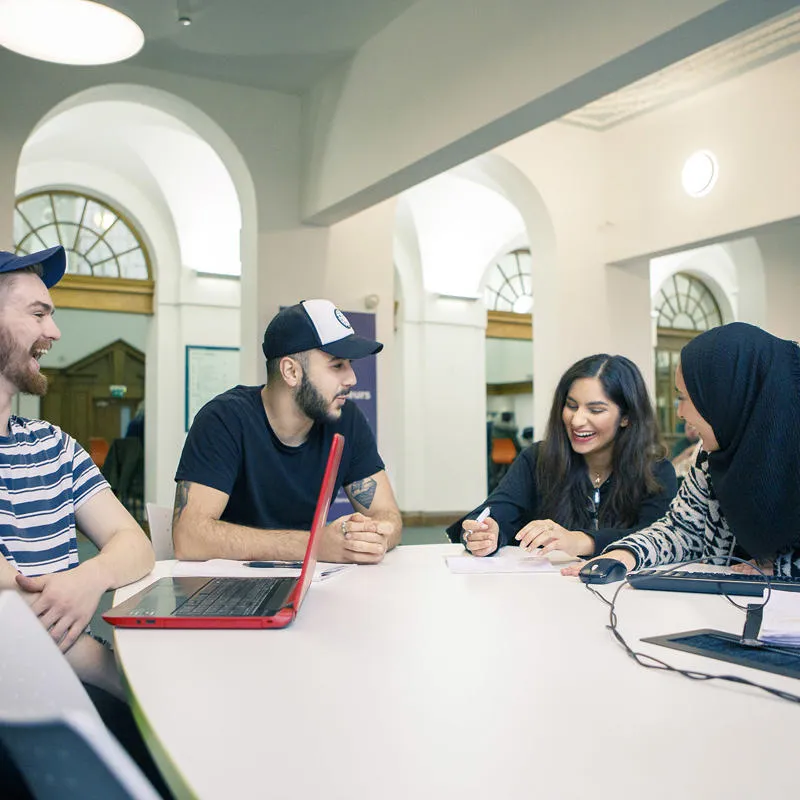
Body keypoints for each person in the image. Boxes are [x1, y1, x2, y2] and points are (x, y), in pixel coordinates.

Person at [0, 246, 165, 797]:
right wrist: (113, 673)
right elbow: (8, 603)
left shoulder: (51, 444)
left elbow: (133, 543)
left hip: (70, 683)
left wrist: (83, 581)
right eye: (38, 313)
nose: (56, 330)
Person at [173, 299, 402, 564]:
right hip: (229, 589)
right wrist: (314, 546)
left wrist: (374, 536)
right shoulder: (223, 420)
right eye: (337, 365)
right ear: (291, 371)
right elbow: (188, 538)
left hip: (309, 584)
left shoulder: (347, 419)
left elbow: (387, 514)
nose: (352, 379)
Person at [563, 323, 800, 579]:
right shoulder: (710, 457)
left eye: (685, 397)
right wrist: (624, 555)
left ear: (725, 397)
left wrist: (784, 569)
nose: (680, 412)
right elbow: (683, 530)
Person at [448, 354, 676, 558]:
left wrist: (580, 541)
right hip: (546, 595)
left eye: (595, 410)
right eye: (571, 406)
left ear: (626, 417)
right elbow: (496, 511)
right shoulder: (537, 459)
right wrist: (485, 534)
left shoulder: (655, 471)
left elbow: (659, 538)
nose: (577, 421)